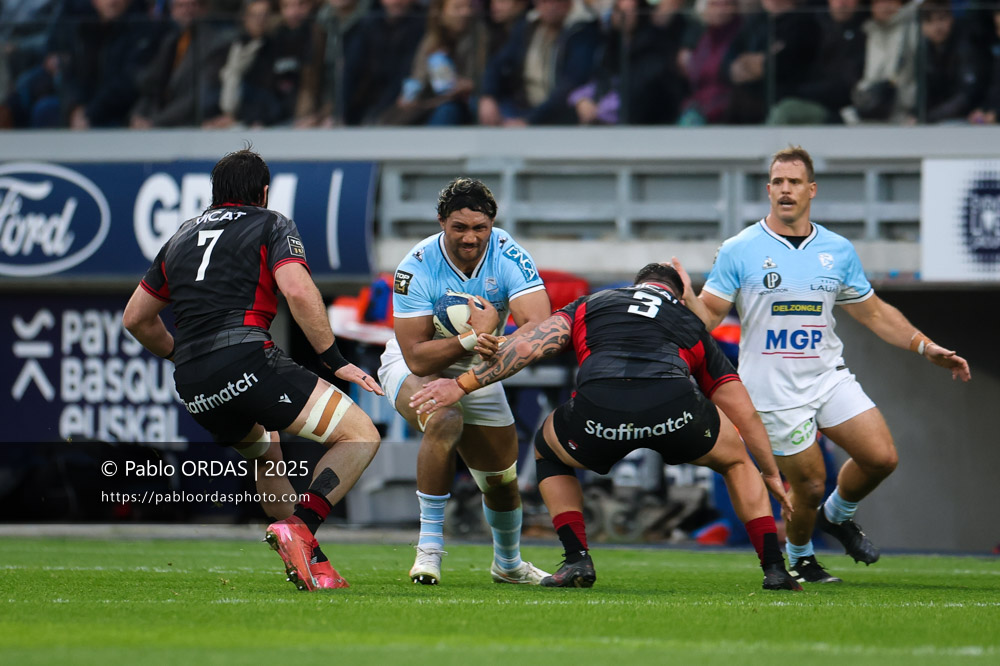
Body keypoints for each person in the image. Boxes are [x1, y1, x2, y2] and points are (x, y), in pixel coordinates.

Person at [675, 145, 971, 584]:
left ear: (811, 190)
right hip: (773, 389)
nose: (785, 190)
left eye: (794, 182)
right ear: (768, 190)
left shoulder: (837, 249)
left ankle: (838, 515)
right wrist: (689, 301)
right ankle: (801, 558)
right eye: (778, 182)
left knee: (881, 458)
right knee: (810, 484)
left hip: (827, 375)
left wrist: (925, 347)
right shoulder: (740, 249)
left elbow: (874, 312)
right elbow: (712, 316)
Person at [409, 262, 801, 591]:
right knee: (736, 462)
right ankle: (774, 568)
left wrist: (460, 384)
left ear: (635, 286)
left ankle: (577, 559)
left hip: (600, 409)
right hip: (674, 408)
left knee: (548, 451)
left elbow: (526, 347)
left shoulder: (590, 304)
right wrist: (770, 472)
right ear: (678, 297)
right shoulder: (691, 322)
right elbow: (743, 409)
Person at [122, 147, 383, 591]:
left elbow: (135, 319)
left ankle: (314, 564)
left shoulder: (180, 237)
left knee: (267, 451)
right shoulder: (271, 223)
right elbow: (297, 290)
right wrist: (335, 361)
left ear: (215, 192)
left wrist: (180, 357)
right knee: (360, 435)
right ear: (263, 192)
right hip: (246, 358)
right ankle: (300, 527)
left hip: (193, 383)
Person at [377, 177, 551, 586]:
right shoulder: (416, 266)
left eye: (479, 228)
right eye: (459, 227)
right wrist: (474, 337)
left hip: (480, 366)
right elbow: (417, 356)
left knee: (501, 481)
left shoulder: (508, 253)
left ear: (492, 224)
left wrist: (496, 343)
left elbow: (541, 327)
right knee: (445, 418)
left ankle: (508, 565)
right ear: (441, 222)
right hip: (415, 365)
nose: (470, 237)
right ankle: (429, 550)